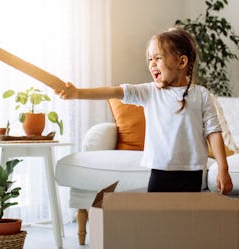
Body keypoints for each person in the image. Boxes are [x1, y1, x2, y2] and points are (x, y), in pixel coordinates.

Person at [55, 28, 233, 194]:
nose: (152, 64)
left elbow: (214, 132)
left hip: (193, 173)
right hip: (159, 173)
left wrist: (223, 169)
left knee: (186, 223)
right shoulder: (150, 92)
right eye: (150, 59)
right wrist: (78, 93)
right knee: (156, 222)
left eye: (158, 58)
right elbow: (114, 91)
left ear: (182, 61)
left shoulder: (201, 94)